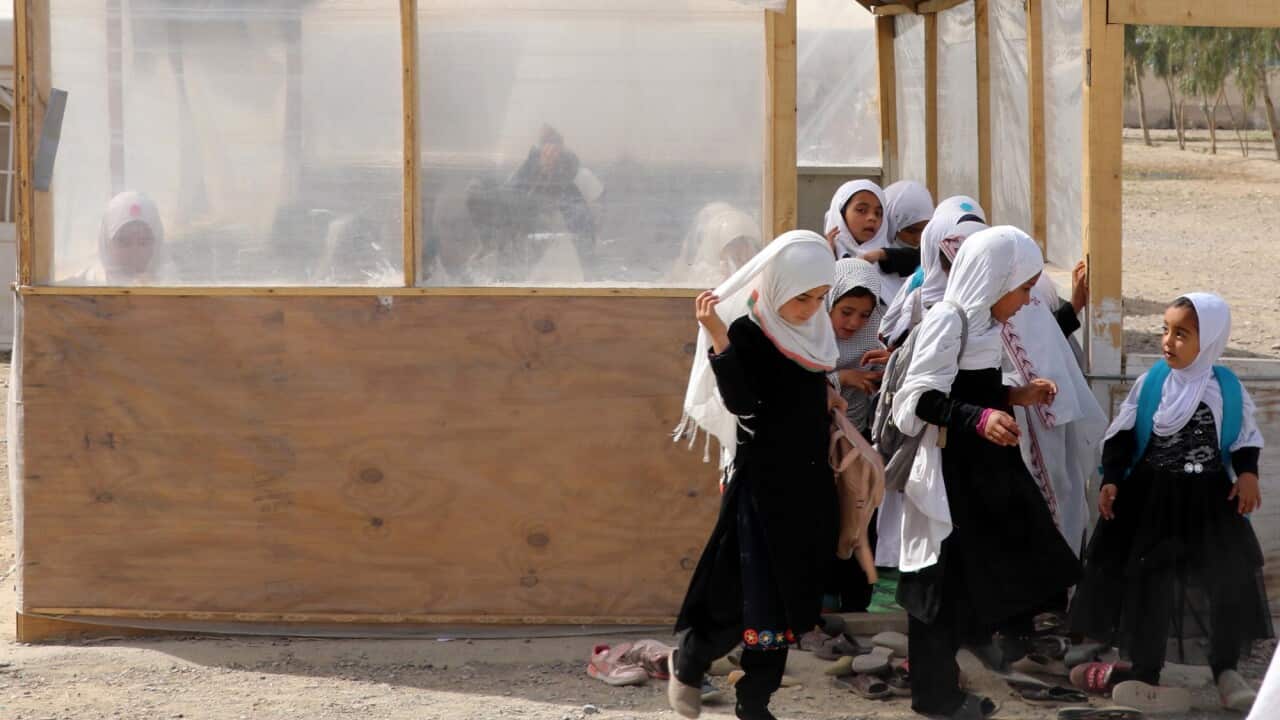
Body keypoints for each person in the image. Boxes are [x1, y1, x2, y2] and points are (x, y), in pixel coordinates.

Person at [890, 226, 1080, 720]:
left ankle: (979, 652)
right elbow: (917, 401)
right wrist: (979, 417)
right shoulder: (947, 323)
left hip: (984, 476)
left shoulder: (986, 328)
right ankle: (935, 697)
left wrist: (1015, 397)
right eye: (1021, 289)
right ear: (995, 280)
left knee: (1017, 560)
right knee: (939, 586)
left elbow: (974, 388)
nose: (1023, 301)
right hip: (950, 477)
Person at [669, 231, 843, 720]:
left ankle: (755, 703)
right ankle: (690, 661)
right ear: (776, 286)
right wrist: (720, 337)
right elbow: (744, 404)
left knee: (785, 602)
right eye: (801, 297)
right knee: (740, 597)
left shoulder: (815, 335)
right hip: (760, 491)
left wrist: (825, 396)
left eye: (819, 297)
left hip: (806, 489)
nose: (810, 308)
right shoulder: (748, 332)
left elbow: (803, 386)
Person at [1069, 293, 1272, 714]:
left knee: (1227, 581)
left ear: (1210, 340)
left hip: (1212, 503)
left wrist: (1247, 473)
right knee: (1150, 586)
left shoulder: (1226, 389)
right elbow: (1122, 436)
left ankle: (1226, 669)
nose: (1168, 341)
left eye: (1182, 334)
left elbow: (1242, 439)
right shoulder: (1152, 384)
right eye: (1166, 330)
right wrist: (1111, 480)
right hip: (1151, 502)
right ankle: (1144, 672)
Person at [823, 258, 892, 612]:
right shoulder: (808, 329)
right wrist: (842, 379)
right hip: (818, 442)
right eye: (846, 311)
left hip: (858, 440)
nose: (855, 323)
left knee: (859, 516)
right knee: (825, 518)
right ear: (829, 302)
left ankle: (855, 607)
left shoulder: (877, 332)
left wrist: (891, 363)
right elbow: (792, 379)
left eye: (864, 315)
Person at [62, 191, 164, 285]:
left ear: (157, 245)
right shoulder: (79, 290)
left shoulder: (174, 289)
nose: (134, 251)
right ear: (106, 244)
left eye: (144, 242)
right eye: (123, 242)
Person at [670, 203, 763, 285]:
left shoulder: (759, 269)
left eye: (743, 241)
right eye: (733, 244)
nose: (743, 252)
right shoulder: (703, 274)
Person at [874, 180, 934, 302]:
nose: (918, 238)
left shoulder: (931, 256)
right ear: (890, 222)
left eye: (925, 230)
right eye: (911, 231)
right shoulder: (869, 261)